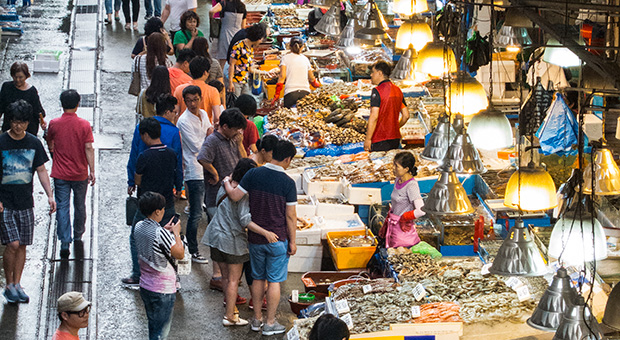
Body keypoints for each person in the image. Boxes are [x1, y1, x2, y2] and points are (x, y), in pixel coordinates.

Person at [223, 140, 297, 336]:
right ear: (287, 159)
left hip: (255, 238)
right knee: (273, 281)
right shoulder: (288, 183)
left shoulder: (253, 173)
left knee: (257, 278)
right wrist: (293, 241)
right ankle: (270, 323)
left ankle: (256, 320)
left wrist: (225, 182)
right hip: (277, 239)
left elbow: (236, 196)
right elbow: (290, 216)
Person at [204, 158, 276, 326]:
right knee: (233, 280)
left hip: (216, 236)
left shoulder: (226, 184)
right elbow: (245, 220)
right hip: (232, 240)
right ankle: (229, 316)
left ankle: (231, 310)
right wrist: (265, 232)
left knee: (226, 278)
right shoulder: (242, 194)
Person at [0, 100, 56, 304]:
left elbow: (41, 170)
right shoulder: (1, 142)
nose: (18, 126)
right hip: (5, 202)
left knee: (22, 244)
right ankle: (8, 284)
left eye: (22, 122)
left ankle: (17, 284)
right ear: (9, 121)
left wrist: (50, 195)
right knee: (12, 244)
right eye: (14, 122)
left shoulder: (34, 143)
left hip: (26, 201)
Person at [124, 96, 183, 287]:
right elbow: (179, 166)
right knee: (172, 236)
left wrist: (132, 181)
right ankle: (174, 276)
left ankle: (137, 273)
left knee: (136, 235)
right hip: (166, 200)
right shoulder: (173, 136)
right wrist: (178, 187)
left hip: (147, 201)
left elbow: (134, 155)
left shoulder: (144, 151)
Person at [197, 108, 247, 291]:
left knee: (229, 233)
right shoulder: (212, 141)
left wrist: (240, 143)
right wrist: (215, 173)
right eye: (236, 129)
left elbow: (245, 162)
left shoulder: (232, 139)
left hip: (232, 194)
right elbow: (202, 158)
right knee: (219, 237)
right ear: (225, 126)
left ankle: (227, 277)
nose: (238, 132)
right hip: (217, 196)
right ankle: (217, 275)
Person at [46, 90, 95, 258]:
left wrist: (53, 150)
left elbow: (50, 141)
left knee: (62, 206)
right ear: (78, 104)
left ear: (61, 103)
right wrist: (92, 170)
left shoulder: (54, 123)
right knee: (80, 204)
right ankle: (78, 234)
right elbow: (88, 147)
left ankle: (64, 241)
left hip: (60, 173)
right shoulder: (84, 125)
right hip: (80, 172)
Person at [134, 191, 184, 340]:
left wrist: (165, 231)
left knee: (153, 325)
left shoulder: (138, 226)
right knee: (161, 331)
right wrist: (176, 234)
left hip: (145, 285)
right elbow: (179, 253)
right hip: (163, 289)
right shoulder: (161, 233)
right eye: (162, 209)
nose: (163, 211)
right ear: (157, 211)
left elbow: (154, 240)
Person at [176, 85, 211, 264]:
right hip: (194, 171)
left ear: (200, 98)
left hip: (206, 169)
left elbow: (210, 133)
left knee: (207, 211)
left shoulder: (204, 114)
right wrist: (209, 140)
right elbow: (198, 146)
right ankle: (193, 249)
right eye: (188, 100)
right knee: (196, 213)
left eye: (195, 99)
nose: (192, 103)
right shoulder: (183, 121)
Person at [380, 152, 424, 248]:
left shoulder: (411, 186)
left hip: (403, 232)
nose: (393, 169)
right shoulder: (398, 180)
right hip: (393, 227)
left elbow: (421, 210)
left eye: (396, 166)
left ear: (406, 169)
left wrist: (405, 217)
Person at [364, 61, 410, 152]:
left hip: (379, 138)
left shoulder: (377, 91)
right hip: (395, 138)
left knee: (379, 165)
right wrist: (395, 127)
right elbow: (406, 115)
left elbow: (374, 116)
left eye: (373, 72)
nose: (371, 75)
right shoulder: (398, 90)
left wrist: (368, 139)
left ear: (380, 73)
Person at [272, 37, 321, 108]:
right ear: (302, 47)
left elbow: (282, 77)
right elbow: (311, 78)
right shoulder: (305, 59)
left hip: (290, 94)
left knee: (290, 116)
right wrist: (317, 85)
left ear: (289, 46)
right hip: (305, 94)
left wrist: (277, 95)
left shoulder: (285, 58)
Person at [0, 62, 46, 136]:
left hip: (28, 130)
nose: (18, 80)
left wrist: (42, 121)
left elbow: (38, 111)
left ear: (26, 76)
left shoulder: (31, 91)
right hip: (9, 128)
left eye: (21, 77)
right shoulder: (6, 87)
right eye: (15, 77)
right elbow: (1, 106)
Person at [173, 56, 221, 124]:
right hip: (205, 129)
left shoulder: (179, 89)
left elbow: (176, 113)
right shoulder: (213, 91)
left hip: (184, 127)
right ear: (205, 72)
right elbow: (217, 117)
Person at [228, 23, 270, 97]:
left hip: (244, 81)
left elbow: (250, 69)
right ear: (258, 38)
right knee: (236, 103)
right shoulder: (238, 46)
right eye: (261, 39)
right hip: (236, 82)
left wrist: (265, 73)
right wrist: (230, 83)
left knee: (247, 101)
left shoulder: (250, 48)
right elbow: (231, 64)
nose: (261, 41)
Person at [210, 0, 247, 69]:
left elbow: (212, 11)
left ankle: (221, 78)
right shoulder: (242, 6)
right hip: (237, 35)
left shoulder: (224, 4)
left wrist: (212, 21)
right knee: (236, 59)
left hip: (225, 34)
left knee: (222, 61)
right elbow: (243, 26)